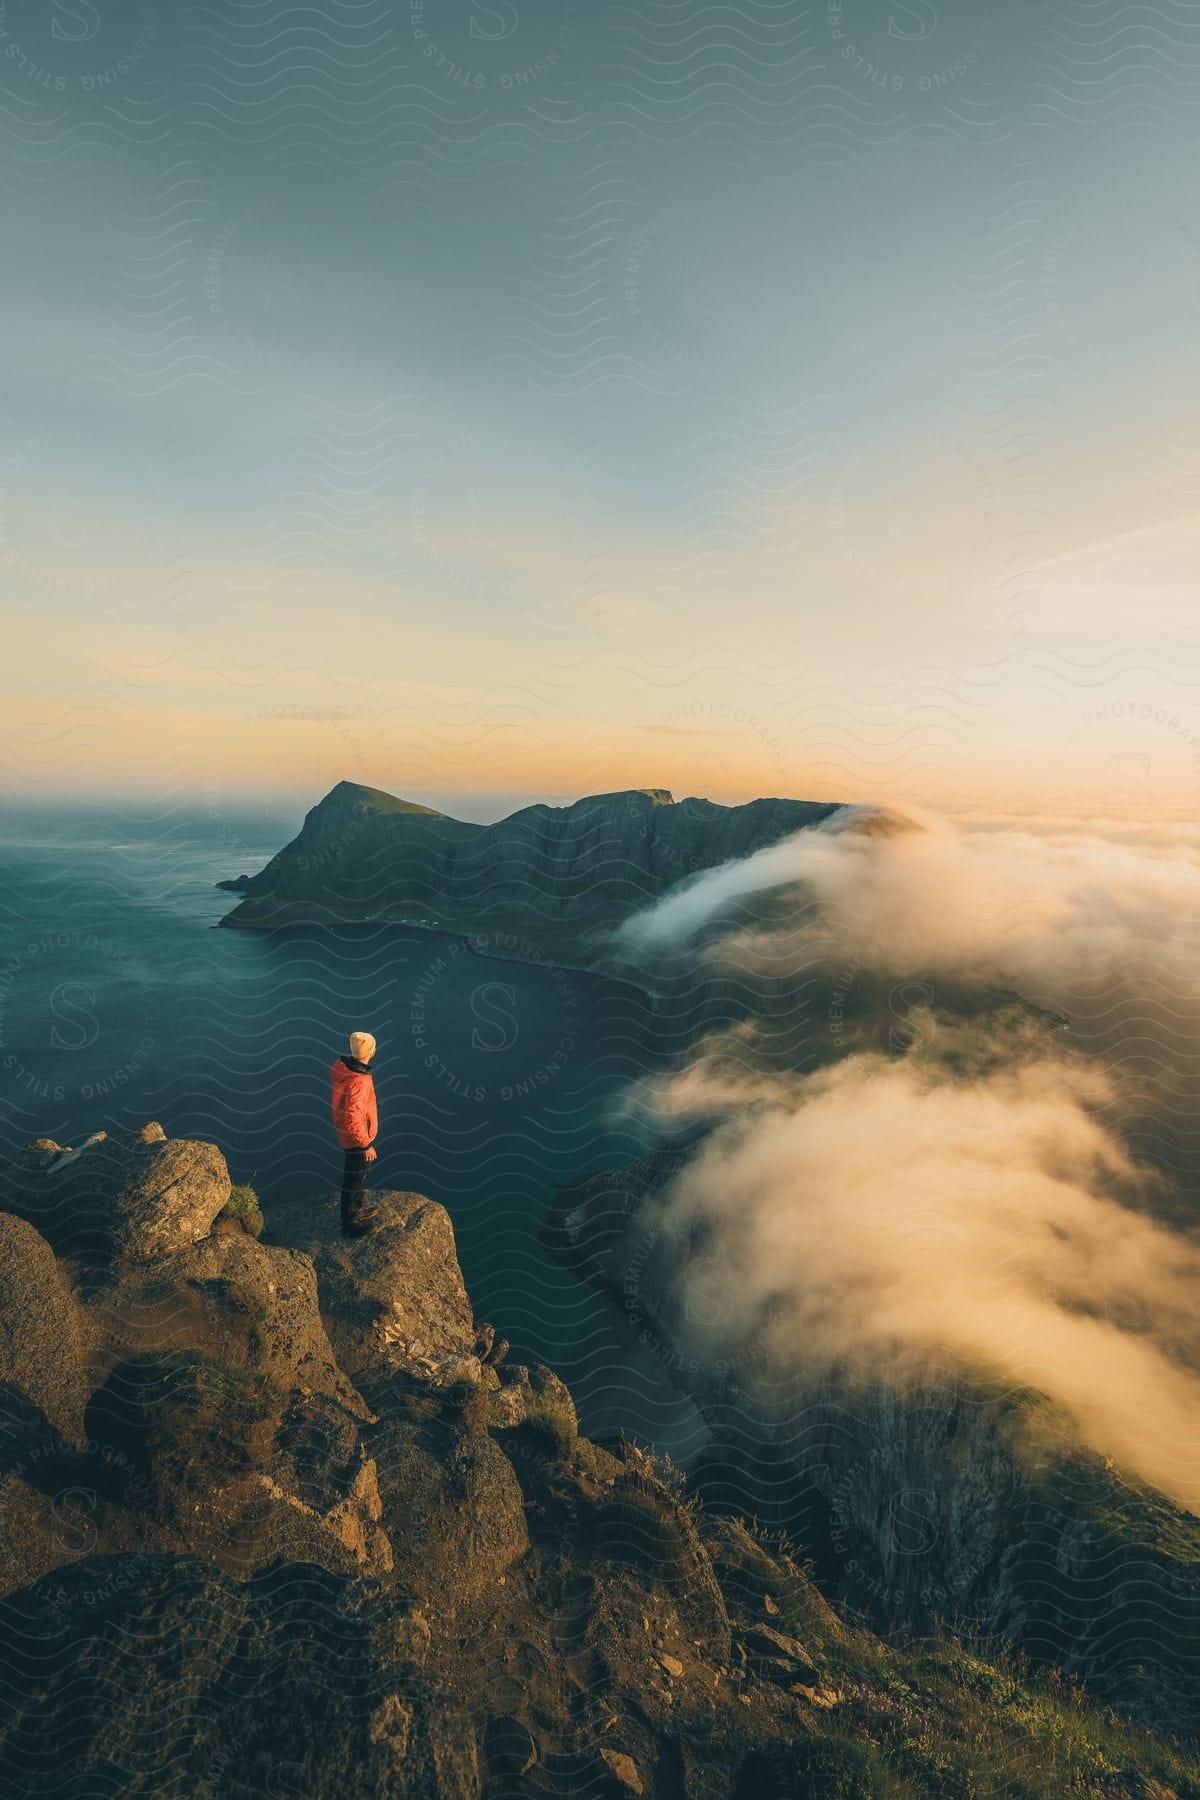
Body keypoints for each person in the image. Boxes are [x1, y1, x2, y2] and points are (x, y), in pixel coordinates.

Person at [331, 1030, 380, 1237]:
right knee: (354, 1177)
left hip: (349, 1134)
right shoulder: (357, 1080)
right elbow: (352, 1115)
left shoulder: (348, 1070)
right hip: (356, 1138)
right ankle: (350, 1223)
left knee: (358, 1175)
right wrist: (365, 1144)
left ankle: (357, 1210)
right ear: (371, 1051)